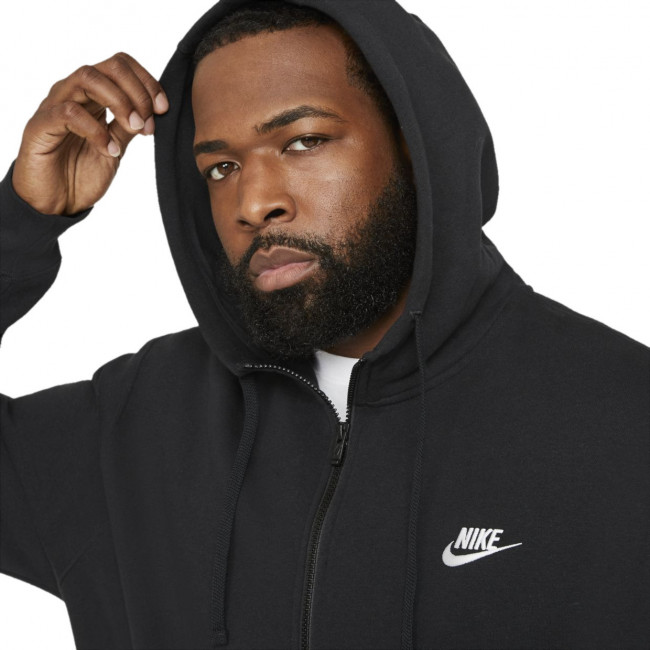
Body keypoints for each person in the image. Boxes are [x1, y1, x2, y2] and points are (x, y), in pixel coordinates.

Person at [0, 1, 648, 649]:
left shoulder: (623, 421)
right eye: (221, 168)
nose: (255, 203)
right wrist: (21, 219)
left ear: (415, 143)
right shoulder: (136, 424)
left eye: (304, 141)